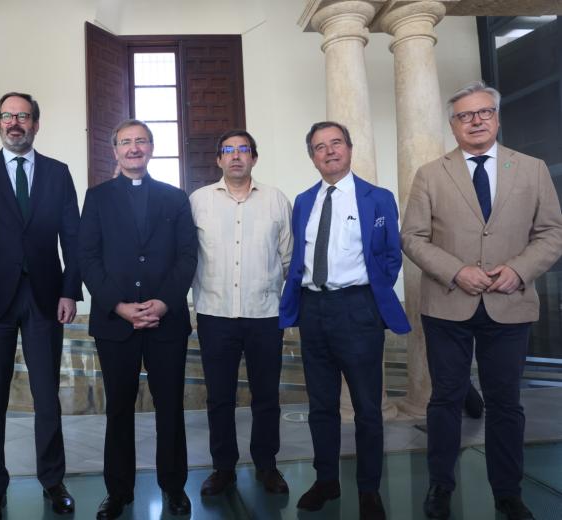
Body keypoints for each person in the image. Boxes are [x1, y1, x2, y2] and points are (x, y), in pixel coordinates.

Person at [401, 81, 562, 520]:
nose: (475, 121)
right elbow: (412, 237)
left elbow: (551, 232)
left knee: (506, 403)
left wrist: (518, 270)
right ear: (452, 125)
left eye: (483, 113)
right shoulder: (431, 174)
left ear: (496, 116)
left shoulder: (530, 169)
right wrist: (456, 270)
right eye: (464, 115)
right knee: (445, 400)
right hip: (448, 304)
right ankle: (440, 486)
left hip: (510, 304)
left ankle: (507, 493)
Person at [0, 92, 81, 518]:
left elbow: (73, 239)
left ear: (36, 124)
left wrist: (69, 290)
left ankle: (53, 481)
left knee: (47, 397)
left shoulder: (58, 173)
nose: (15, 122)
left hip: (44, 298)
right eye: (7, 116)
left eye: (23, 116)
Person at [279, 121, 410, 520]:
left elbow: (391, 255)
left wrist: (370, 295)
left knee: (368, 407)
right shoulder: (303, 201)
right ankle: (326, 481)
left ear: (350, 149)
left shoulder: (377, 197)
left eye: (336, 143)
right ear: (312, 157)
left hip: (358, 309)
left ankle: (369, 489)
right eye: (320, 146)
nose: (329, 151)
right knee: (321, 405)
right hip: (313, 309)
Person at [78, 119, 197, 519]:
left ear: (151, 148)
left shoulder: (175, 197)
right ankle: (119, 492)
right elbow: (88, 258)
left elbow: (187, 257)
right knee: (118, 409)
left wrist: (163, 302)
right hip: (116, 323)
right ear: (114, 151)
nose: (133, 148)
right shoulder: (96, 198)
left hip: (167, 321)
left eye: (141, 141)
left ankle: (174, 487)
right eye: (125, 142)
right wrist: (118, 305)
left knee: (170, 407)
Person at [189, 129, 293, 496]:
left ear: (254, 158)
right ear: (218, 159)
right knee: (219, 397)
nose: (235, 156)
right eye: (228, 150)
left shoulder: (276, 200)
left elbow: (288, 258)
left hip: (264, 314)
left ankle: (267, 465)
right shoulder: (198, 201)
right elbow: (189, 257)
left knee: (266, 396)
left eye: (243, 150)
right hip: (215, 314)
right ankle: (223, 468)